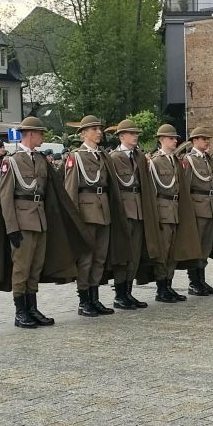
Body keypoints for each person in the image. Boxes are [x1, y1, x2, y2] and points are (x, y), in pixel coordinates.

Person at [63, 115, 124, 317]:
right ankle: (84, 300)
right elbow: (71, 190)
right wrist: (74, 219)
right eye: (94, 129)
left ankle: (94, 297)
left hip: (103, 211)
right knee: (86, 259)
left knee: (100, 257)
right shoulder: (76, 157)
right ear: (83, 133)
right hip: (86, 213)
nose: (99, 132)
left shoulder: (103, 156)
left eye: (99, 128)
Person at [0, 116, 56, 328]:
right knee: (21, 268)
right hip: (22, 221)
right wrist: (12, 228)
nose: (43, 137)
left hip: (40, 220)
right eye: (40, 133)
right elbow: (5, 197)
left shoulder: (40, 160)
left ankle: (32, 307)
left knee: (35, 267)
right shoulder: (10, 161)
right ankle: (20, 311)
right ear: (30, 134)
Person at [108, 119, 162, 309]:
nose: (135, 136)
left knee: (135, 254)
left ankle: (128, 292)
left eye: (136, 133)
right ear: (121, 136)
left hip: (139, 209)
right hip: (124, 210)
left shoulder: (139, 156)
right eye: (131, 133)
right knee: (123, 254)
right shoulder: (113, 158)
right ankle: (120, 294)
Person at [148, 124, 196, 302]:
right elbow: (152, 191)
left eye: (175, 138)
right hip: (162, 211)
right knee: (163, 251)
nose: (175, 140)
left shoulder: (175, 161)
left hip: (175, 210)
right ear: (161, 140)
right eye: (171, 138)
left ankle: (168, 285)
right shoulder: (154, 162)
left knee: (172, 252)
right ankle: (161, 288)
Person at [181, 127, 213, 296]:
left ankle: (202, 280)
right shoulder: (189, 160)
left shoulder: (207, 159)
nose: (207, 141)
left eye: (207, 139)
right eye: (204, 139)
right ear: (195, 141)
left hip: (209, 205)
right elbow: (186, 187)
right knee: (196, 246)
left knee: (205, 247)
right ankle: (194, 282)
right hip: (197, 208)